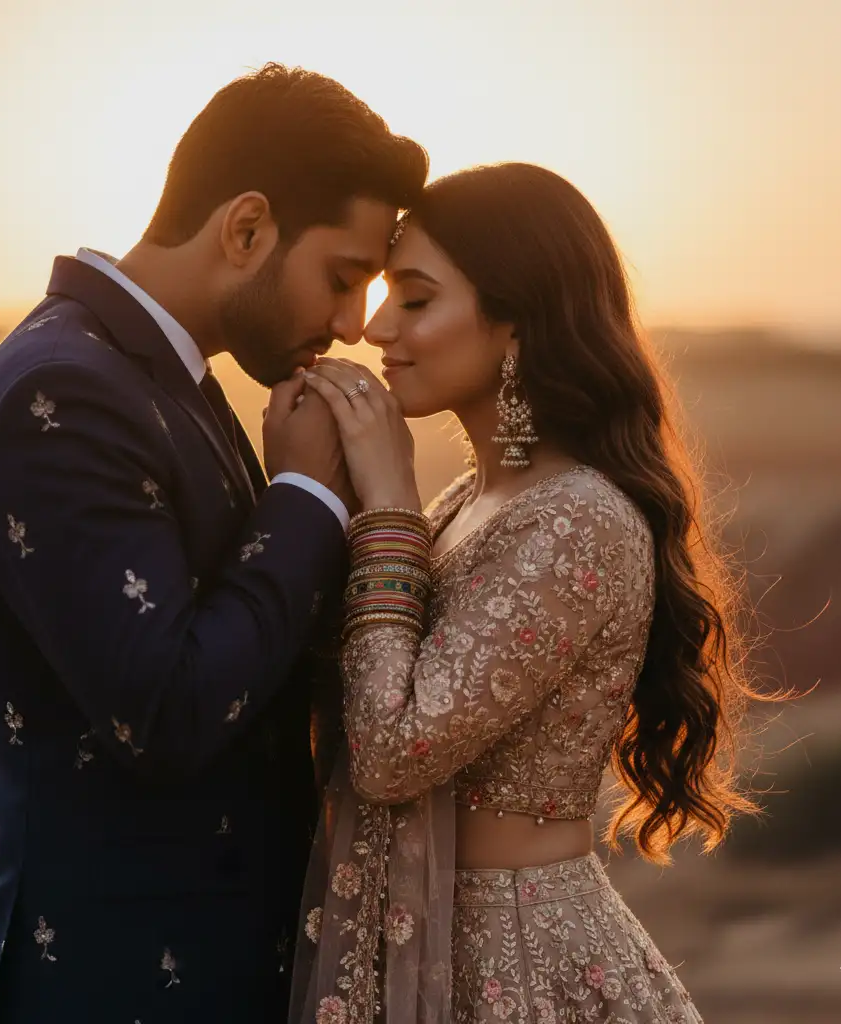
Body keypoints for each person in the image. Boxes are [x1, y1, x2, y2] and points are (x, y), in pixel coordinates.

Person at [0, 63, 427, 1023]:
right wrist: (301, 497)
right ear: (246, 228)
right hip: (105, 982)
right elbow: (166, 710)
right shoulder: (63, 396)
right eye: (342, 277)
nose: (350, 325)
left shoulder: (160, 380)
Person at [291, 163, 764, 1023]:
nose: (380, 328)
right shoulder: (463, 506)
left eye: (417, 299)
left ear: (516, 324)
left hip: (525, 962)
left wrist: (387, 508)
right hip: (423, 947)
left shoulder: (576, 520)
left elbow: (394, 752)